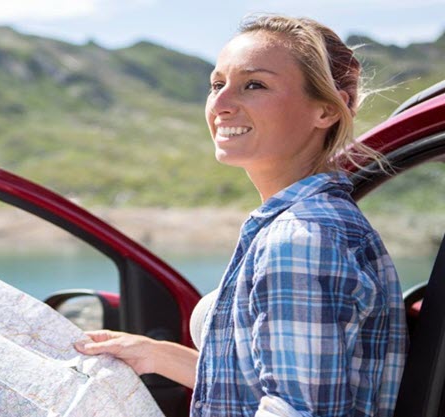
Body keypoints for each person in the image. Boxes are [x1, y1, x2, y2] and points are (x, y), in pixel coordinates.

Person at [75, 14, 407, 417]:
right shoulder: (308, 223)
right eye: (217, 85)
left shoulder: (301, 238)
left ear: (326, 110)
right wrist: (155, 355)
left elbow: (298, 412)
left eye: (254, 85)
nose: (221, 104)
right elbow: (274, 388)